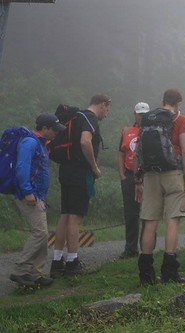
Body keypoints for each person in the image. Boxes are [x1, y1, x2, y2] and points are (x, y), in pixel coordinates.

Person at [134, 88, 185, 285]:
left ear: (162, 100)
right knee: (172, 220)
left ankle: (146, 274)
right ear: (179, 103)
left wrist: (138, 180)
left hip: (150, 175)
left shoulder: (149, 118)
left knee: (150, 222)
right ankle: (169, 271)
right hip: (172, 173)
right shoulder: (180, 119)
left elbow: (137, 153)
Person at [50, 94, 111, 277]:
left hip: (66, 171)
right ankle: (72, 262)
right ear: (102, 105)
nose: (106, 114)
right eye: (107, 109)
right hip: (79, 172)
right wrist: (94, 167)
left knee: (65, 215)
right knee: (75, 218)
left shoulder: (75, 117)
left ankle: (56, 261)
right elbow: (85, 141)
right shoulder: (90, 118)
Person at [9, 114, 66, 287]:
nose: (56, 132)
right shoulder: (30, 142)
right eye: (54, 129)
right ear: (45, 128)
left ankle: (36, 273)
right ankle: (20, 271)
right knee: (39, 233)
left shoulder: (41, 144)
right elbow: (21, 167)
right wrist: (27, 192)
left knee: (42, 234)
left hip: (38, 196)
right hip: (29, 195)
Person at [117, 102, 150, 259]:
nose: (142, 117)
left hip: (147, 176)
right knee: (130, 214)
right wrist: (122, 174)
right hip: (129, 175)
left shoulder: (152, 131)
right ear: (135, 114)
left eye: (145, 114)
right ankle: (130, 248)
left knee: (148, 213)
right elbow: (121, 152)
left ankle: (147, 248)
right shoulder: (127, 131)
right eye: (139, 114)